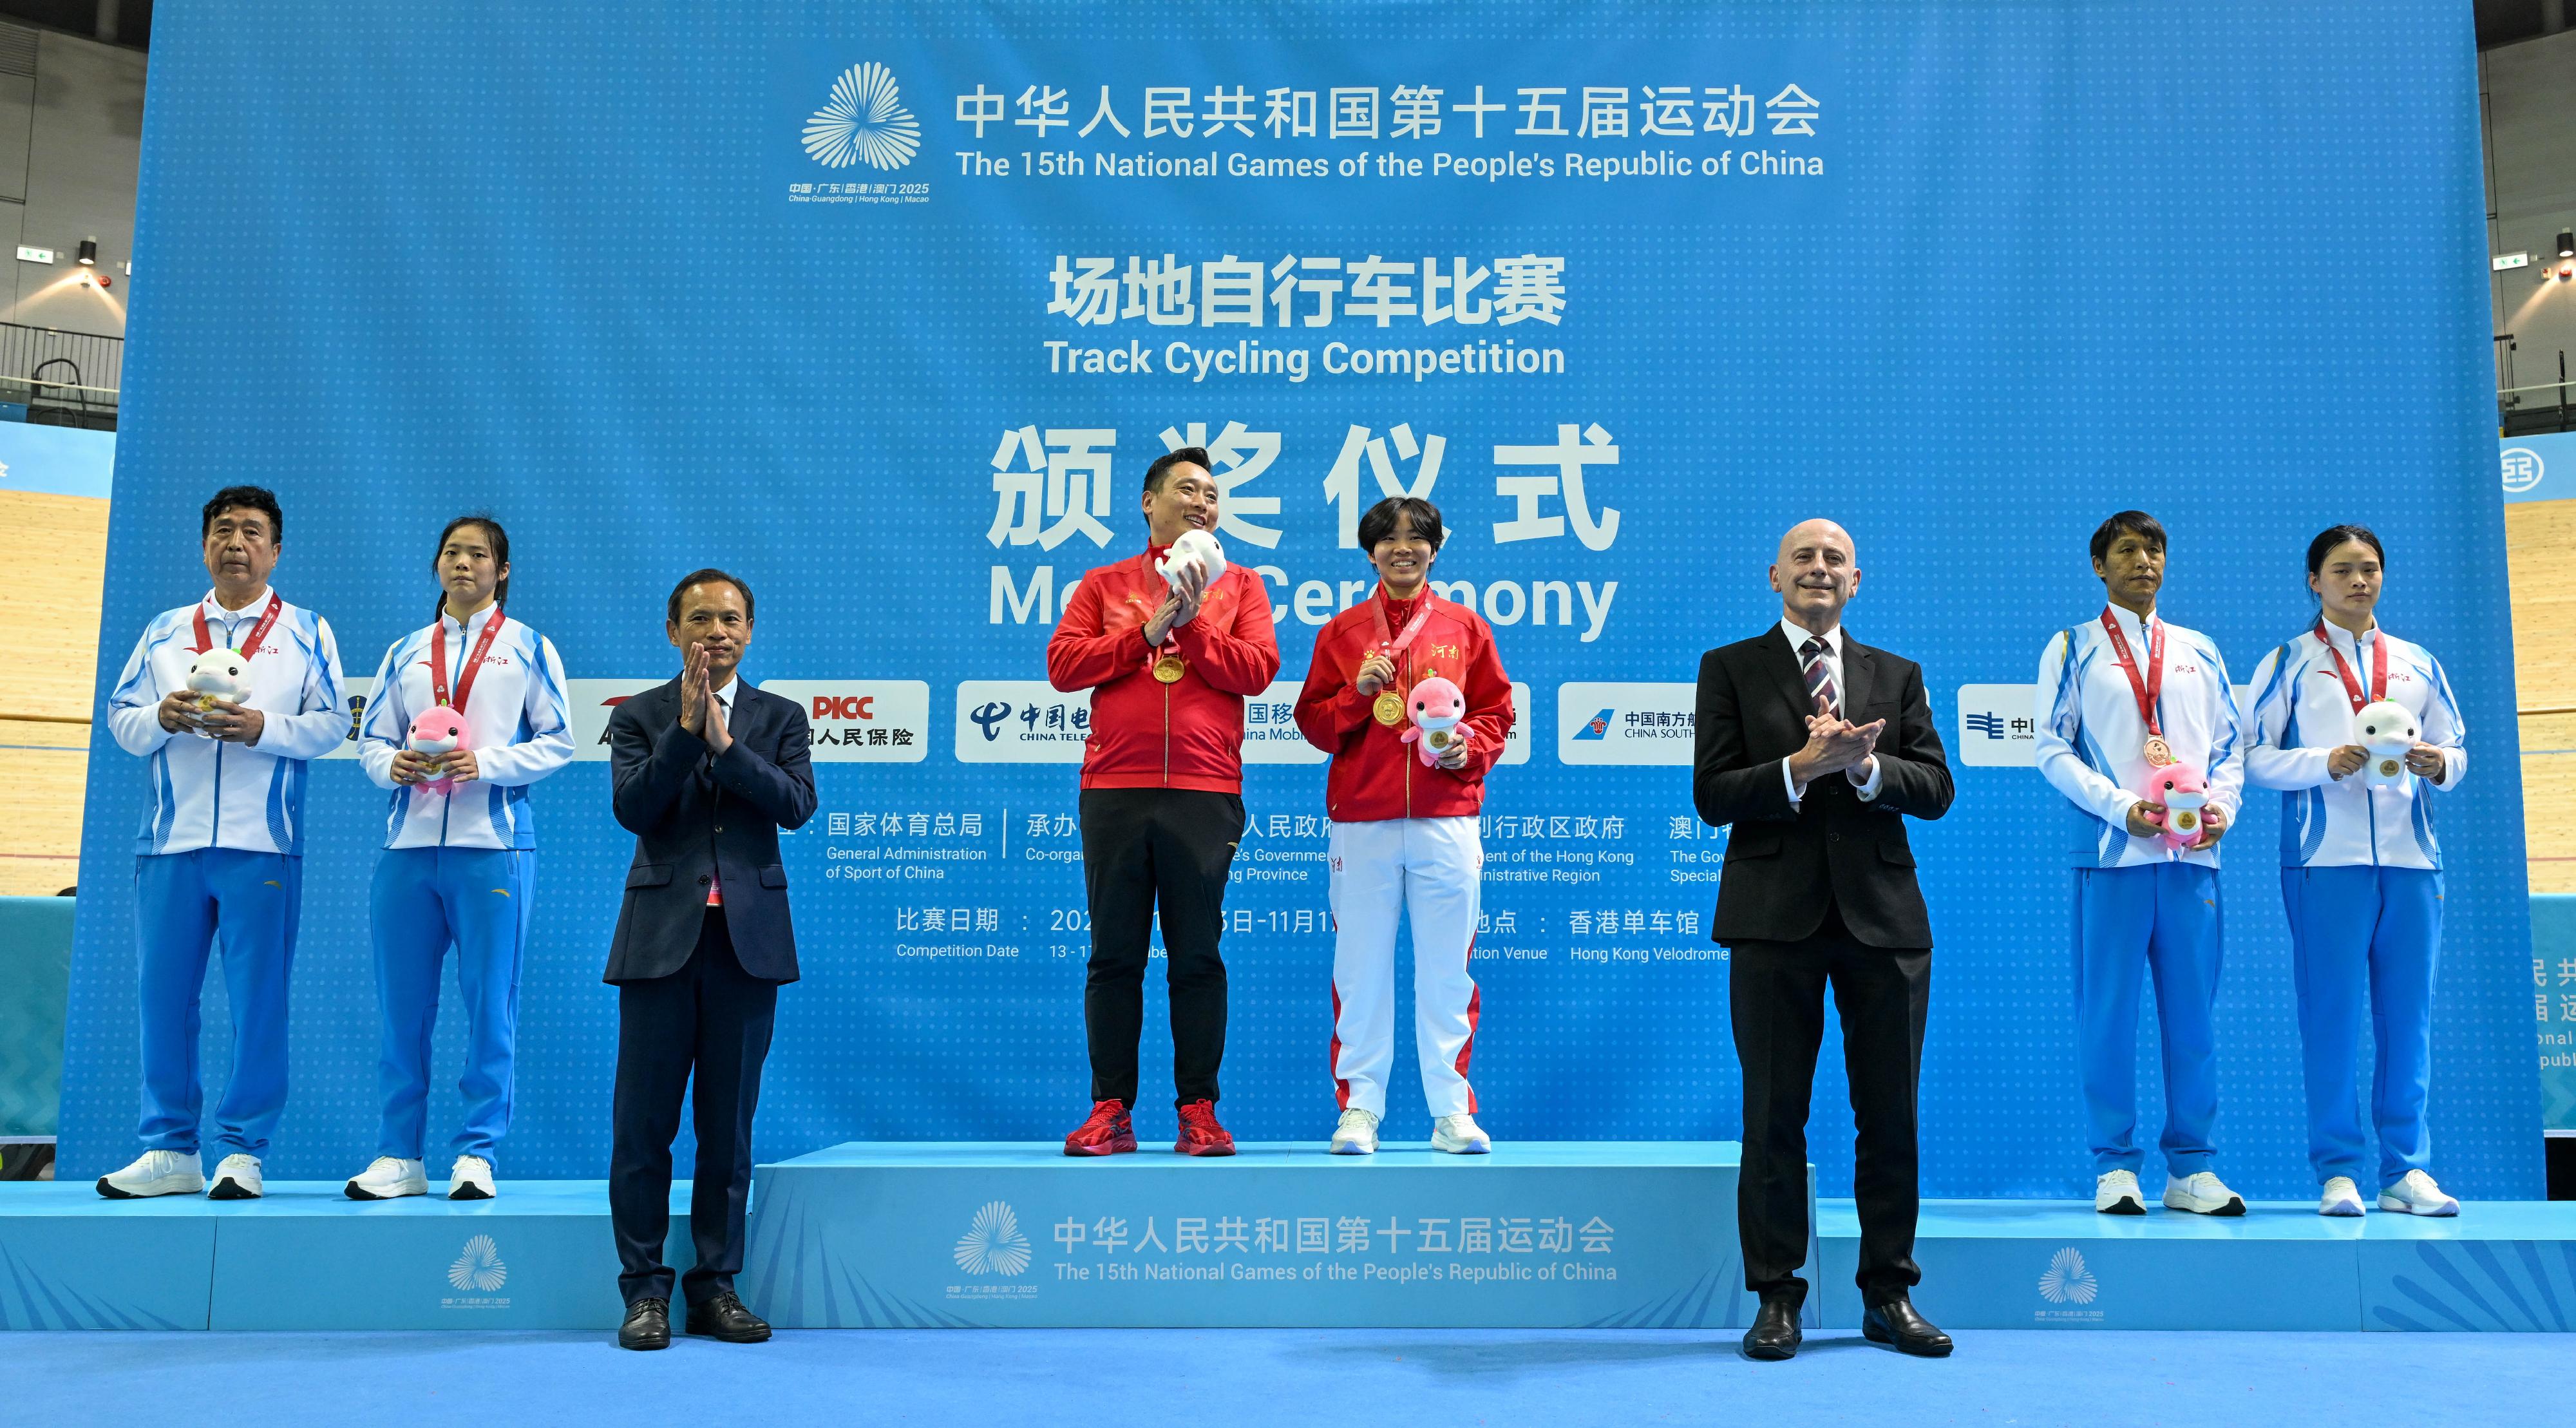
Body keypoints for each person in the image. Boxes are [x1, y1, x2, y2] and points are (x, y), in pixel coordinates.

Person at [1692, 519, 1955, 1361]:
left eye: (1834, 559)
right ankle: (1777, 1298)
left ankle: (1889, 1294)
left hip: (1884, 920)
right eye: (1802, 557)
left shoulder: (1896, 674)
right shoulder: (1730, 667)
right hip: (1773, 918)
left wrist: (1866, 768)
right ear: (1774, 576)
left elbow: (1937, 787)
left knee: (1890, 1116)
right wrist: (1800, 768)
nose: (1818, 568)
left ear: (1856, 580)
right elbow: (1713, 793)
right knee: (1774, 1115)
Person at [97, 486, 348, 1200]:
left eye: (252, 532)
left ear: (276, 550)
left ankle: (242, 1151)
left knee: (257, 1002)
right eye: (224, 530)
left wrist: (263, 728)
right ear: (205, 544)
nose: (236, 542)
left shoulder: (307, 630)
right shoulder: (165, 630)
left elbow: (333, 722)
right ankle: (170, 1149)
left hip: (261, 844)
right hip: (169, 844)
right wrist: (162, 715)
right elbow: (120, 719)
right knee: (164, 999)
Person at [1046, 446, 1280, 1157]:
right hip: (1115, 791)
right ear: (1149, 502)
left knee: (1197, 955)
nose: (1202, 504)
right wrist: (1143, 634)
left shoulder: (1241, 585)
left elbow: (1258, 670)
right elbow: (1063, 665)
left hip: (1205, 793)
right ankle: (1110, 1110)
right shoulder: (1104, 583)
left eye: (1211, 495)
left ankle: (1198, 1111)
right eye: (1187, 490)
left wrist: (1193, 623)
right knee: (1113, 956)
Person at [603, 569, 814, 1351]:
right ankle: (644, 1292)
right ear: (673, 631)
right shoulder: (638, 715)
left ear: (749, 631)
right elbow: (635, 808)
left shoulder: (780, 717)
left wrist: (725, 744)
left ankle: (716, 1287)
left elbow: (795, 805)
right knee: (643, 1129)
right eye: (699, 619)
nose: (715, 632)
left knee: (727, 1131)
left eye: (729, 619)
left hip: (745, 948)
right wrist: (687, 732)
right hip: (660, 944)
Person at [345, 516, 573, 1202]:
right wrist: (391, 765)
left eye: (478, 554)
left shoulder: (529, 647)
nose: (463, 563)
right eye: (452, 552)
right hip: (408, 852)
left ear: (502, 570)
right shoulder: (406, 651)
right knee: (402, 1009)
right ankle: (399, 1155)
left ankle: (477, 1153)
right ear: (437, 565)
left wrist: (488, 763)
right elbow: (371, 740)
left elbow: (559, 740)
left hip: (492, 849)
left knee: (489, 1006)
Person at [2244, 526, 2465, 1217]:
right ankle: (2337, 1171)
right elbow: (2250, 756)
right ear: (2314, 580)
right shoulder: (2288, 661)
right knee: (2331, 1017)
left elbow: (2457, 748)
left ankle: (2406, 1170)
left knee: (2409, 1018)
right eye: (2341, 570)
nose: (2358, 581)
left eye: (2369, 568)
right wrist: (2322, 762)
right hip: (2325, 862)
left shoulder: (2418, 662)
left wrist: (2439, 763)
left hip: (2411, 863)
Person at [2033, 511, 2246, 1219]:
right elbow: (2050, 747)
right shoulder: (2072, 646)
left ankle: (2193, 1167)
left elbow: (2230, 748)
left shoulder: (2200, 649)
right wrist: (2119, 807)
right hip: (2112, 857)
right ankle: (2114, 1166)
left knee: (2194, 1020)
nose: (2143, 561)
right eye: (2127, 550)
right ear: (2100, 565)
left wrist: (2222, 808)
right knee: (2107, 1018)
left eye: (2154, 549)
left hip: (2192, 859)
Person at [1294, 496, 1513, 1156]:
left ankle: (1451, 1112)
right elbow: (1312, 723)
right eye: (1388, 539)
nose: (1402, 549)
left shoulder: (1466, 628)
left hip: (1447, 818)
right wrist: (1357, 695)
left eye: (1416, 538)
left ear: (1434, 549)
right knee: (1360, 969)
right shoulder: (1341, 633)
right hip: (1362, 820)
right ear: (1371, 552)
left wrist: (1469, 749)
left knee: (1447, 971)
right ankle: (1360, 1107)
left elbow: (1496, 712)